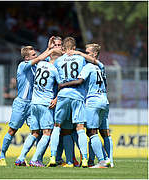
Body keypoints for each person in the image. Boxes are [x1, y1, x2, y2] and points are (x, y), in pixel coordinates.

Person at [58, 43, 113, 168]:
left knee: (92, 132)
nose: (85, 55)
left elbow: (79, 81)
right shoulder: (101, 66)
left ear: (94, 54)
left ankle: (103, 160)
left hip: (93, 101)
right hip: (104, 101)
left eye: (87, 53)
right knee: (102, 133)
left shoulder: (88, 67)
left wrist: (63, 85)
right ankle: (99, 160)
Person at [47, 37, 89, 168]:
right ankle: (85, 159)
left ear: (64, 48)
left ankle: (53, 157)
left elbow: (58, 82)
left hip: (63, 95)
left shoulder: (58, 61)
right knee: (80, 128)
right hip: (77, 95)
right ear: (75, 48)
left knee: (57, 126)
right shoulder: (81, 59)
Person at [17, 49, 62, 167]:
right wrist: (56, 99)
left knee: (34, 133)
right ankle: (35, 159)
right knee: (47, 133)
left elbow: (39, 58)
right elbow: (62, 85)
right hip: (45, 104)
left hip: (34, 103)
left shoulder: (40, 64)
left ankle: (21, 158)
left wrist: (49, 49)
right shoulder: (54, 70)